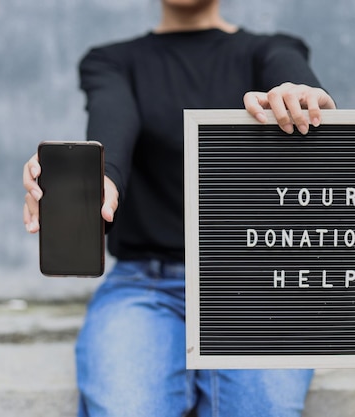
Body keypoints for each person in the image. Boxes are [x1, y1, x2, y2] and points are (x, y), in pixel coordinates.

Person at [23, 0, 336, 415]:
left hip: (256, 286)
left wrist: (300, 94)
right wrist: (102, 176)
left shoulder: (270, 49)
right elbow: (113, 115)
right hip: (144, 285)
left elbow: (289, 72)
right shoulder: (111, 61)